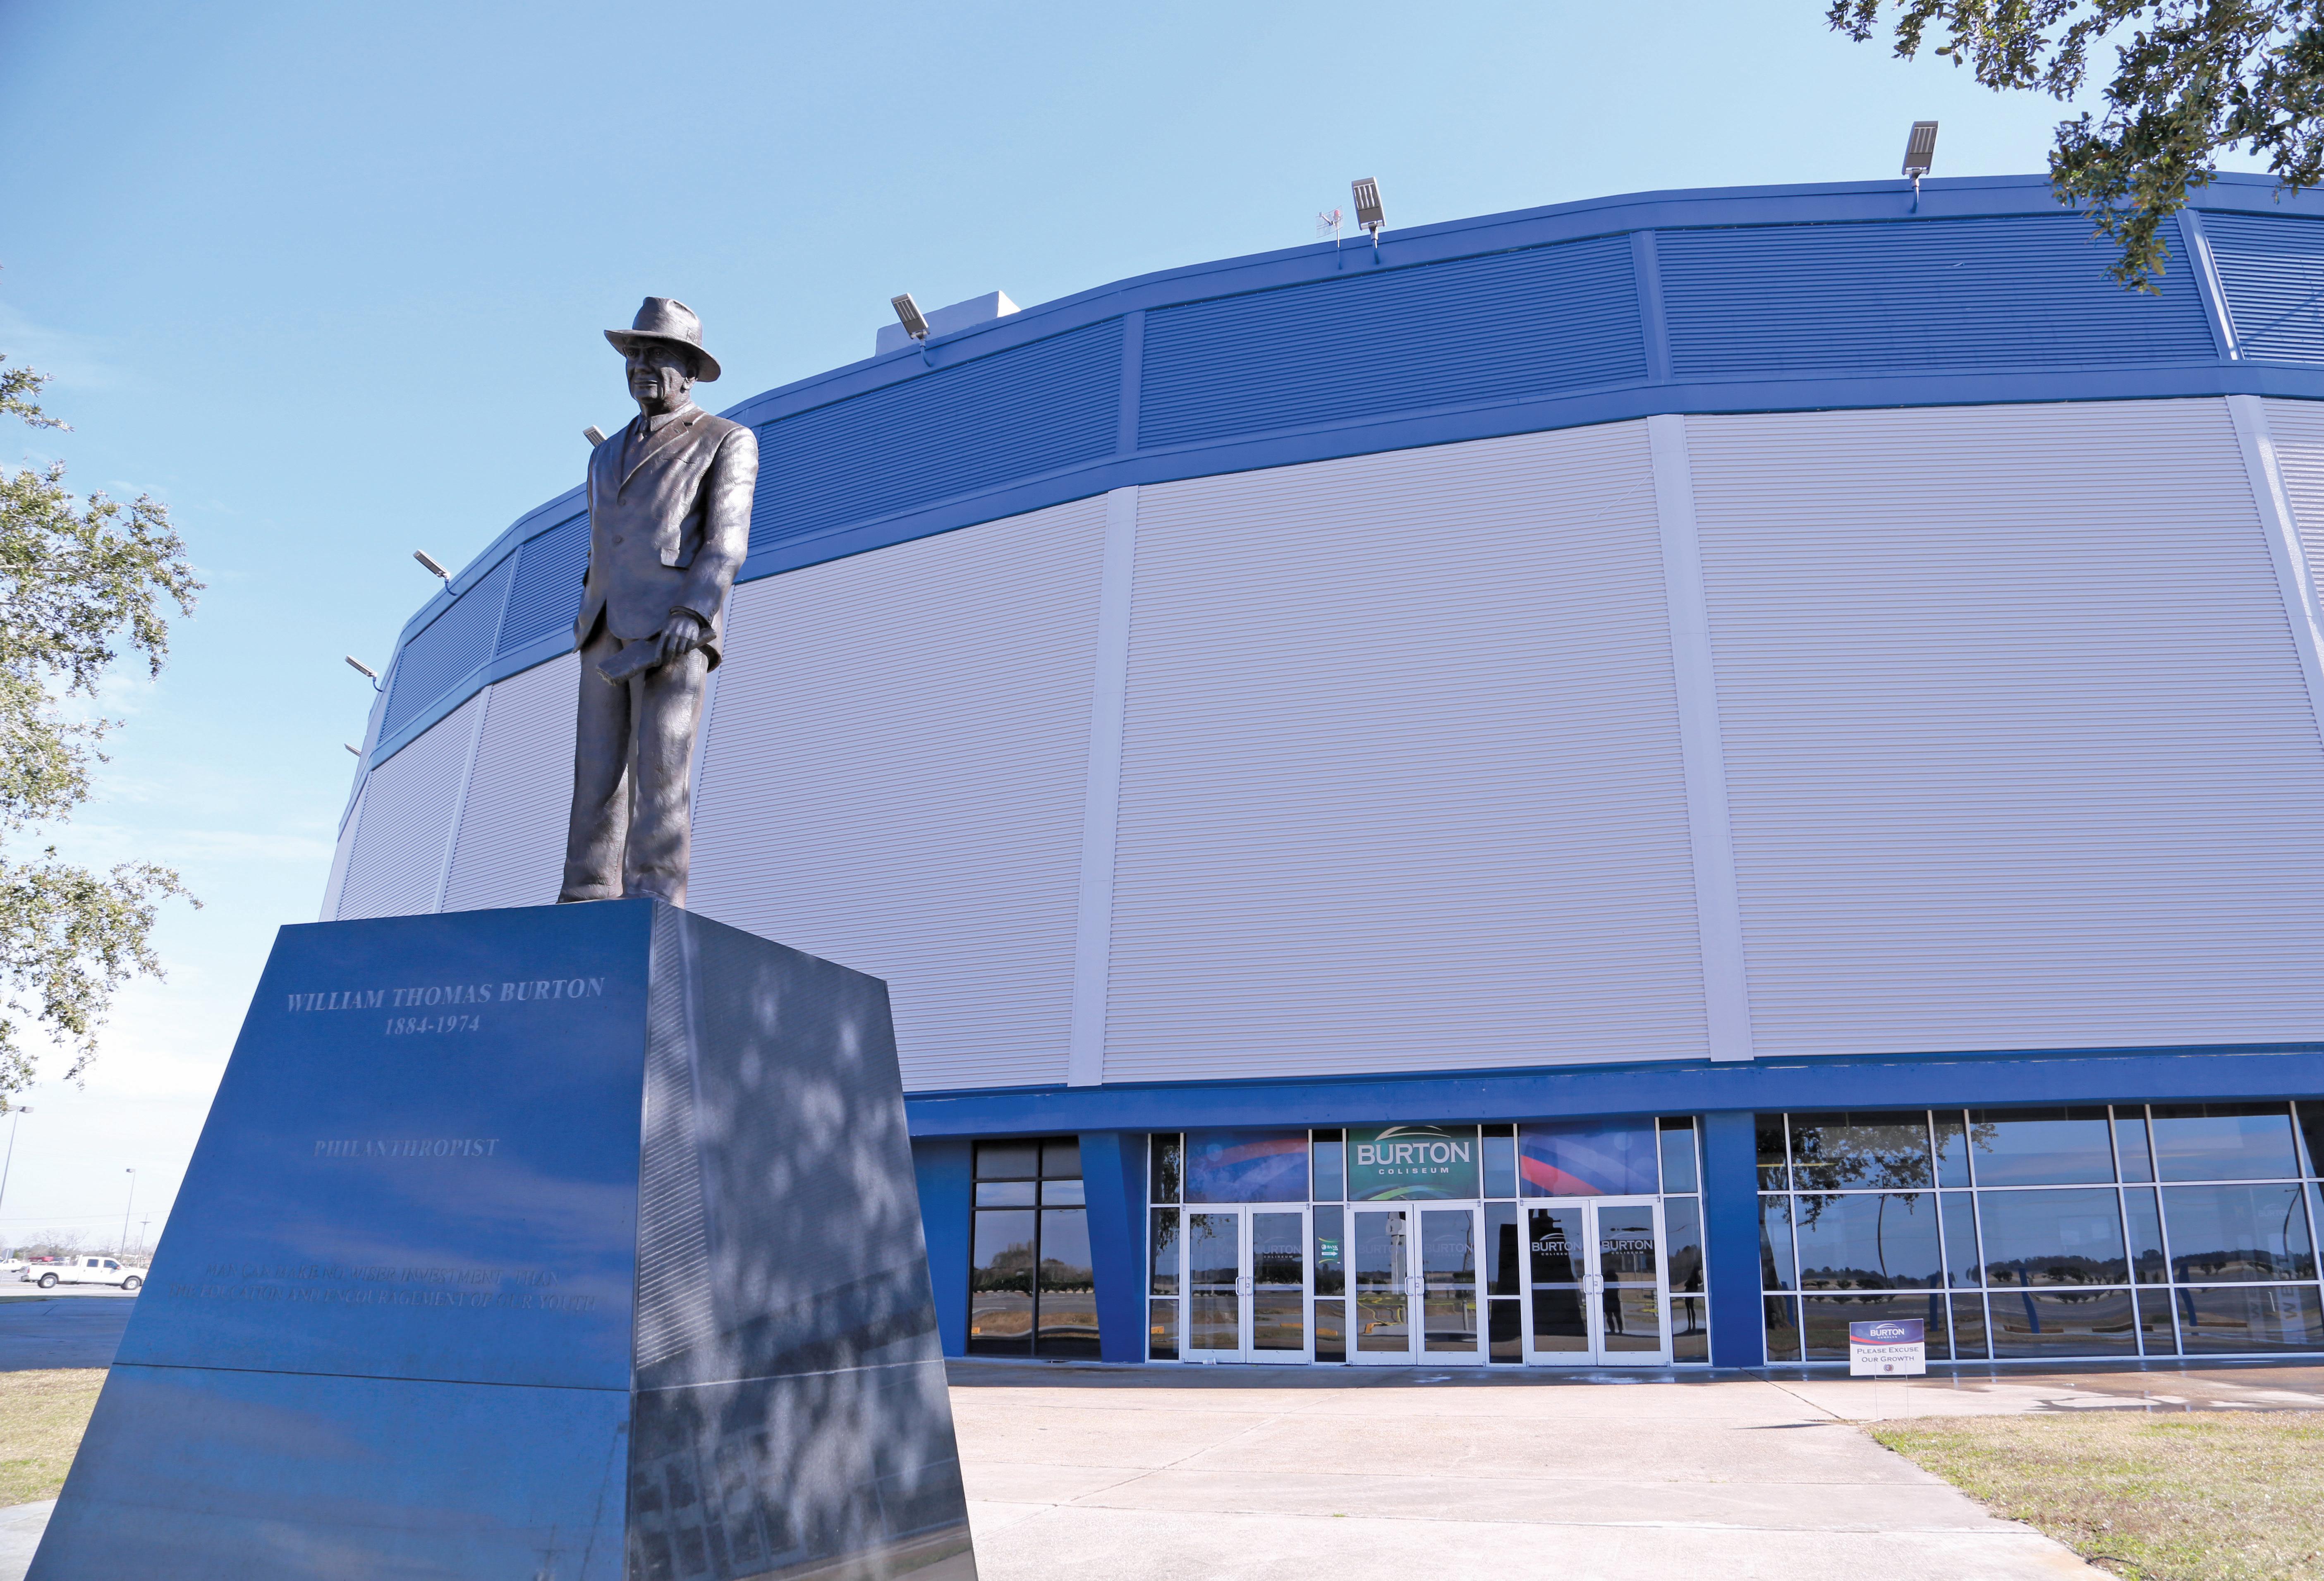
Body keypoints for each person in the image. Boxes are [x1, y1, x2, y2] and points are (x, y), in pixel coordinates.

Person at [558, 297, 758, 907]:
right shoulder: (603, 453)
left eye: (658, 355)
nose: (642, 365)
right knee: (595, 774)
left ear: (690, 371)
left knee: (661, 771)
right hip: (602, 627)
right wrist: (588, 604)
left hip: (673, 628)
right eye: (635, 354)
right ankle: (586, 893)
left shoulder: (726, 440)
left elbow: (727, 540)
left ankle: (652, 898)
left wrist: (695, 611)